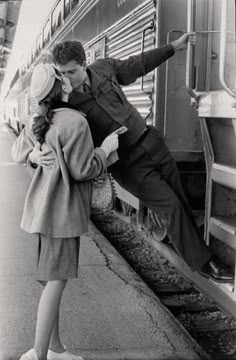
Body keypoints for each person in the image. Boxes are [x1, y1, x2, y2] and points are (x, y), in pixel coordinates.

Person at [28, 33, 233, 283]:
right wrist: (33, 153)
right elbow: (40, 124)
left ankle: (196, 248)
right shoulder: (66, 102)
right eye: (62, 74)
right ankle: (205, 264)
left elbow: (138, 63)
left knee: (180, 199)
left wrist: (173, 47)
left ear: (84, 63)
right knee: (170, 206)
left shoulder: (103, 68)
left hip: (150, 141)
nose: (66, 79)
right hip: (128, 164)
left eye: (71, 72)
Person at [11, 63, 119, 360]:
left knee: (50, 280)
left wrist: (32, 154)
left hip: (40, 213)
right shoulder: (75, 121)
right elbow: (83, 170)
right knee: (56, 284)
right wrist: (106, 149)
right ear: (63, 87)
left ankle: (56, 349)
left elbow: (16, 152)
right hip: (62, 215)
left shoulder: (39, 121)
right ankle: (39, 354)